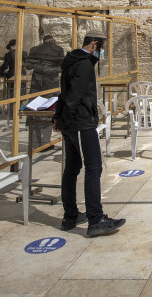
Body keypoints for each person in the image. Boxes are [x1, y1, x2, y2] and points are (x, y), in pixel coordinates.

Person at [53, 34, 125, 237]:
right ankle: (96, 219)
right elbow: (74, 94)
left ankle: (71, 215)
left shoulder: (72, 60)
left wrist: (59, 117)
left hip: (70, 122)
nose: (101, 51)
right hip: (80, 122)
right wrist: (67, 116)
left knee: (73, 167)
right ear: (94, 44)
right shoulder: (83, 65)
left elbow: (63, 92)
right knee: (93, 167)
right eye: (101, 47)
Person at [27, 34, 64, 144]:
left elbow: (28, 66)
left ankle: (34, 142)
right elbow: (61, 67)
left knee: (33, 110)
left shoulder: (34, 49)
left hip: (36, 83)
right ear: (53, 41)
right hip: (51, 82)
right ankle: (46, 142)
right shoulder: (58, 50)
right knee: (50, 110)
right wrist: (50, 69)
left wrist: (40, 67)